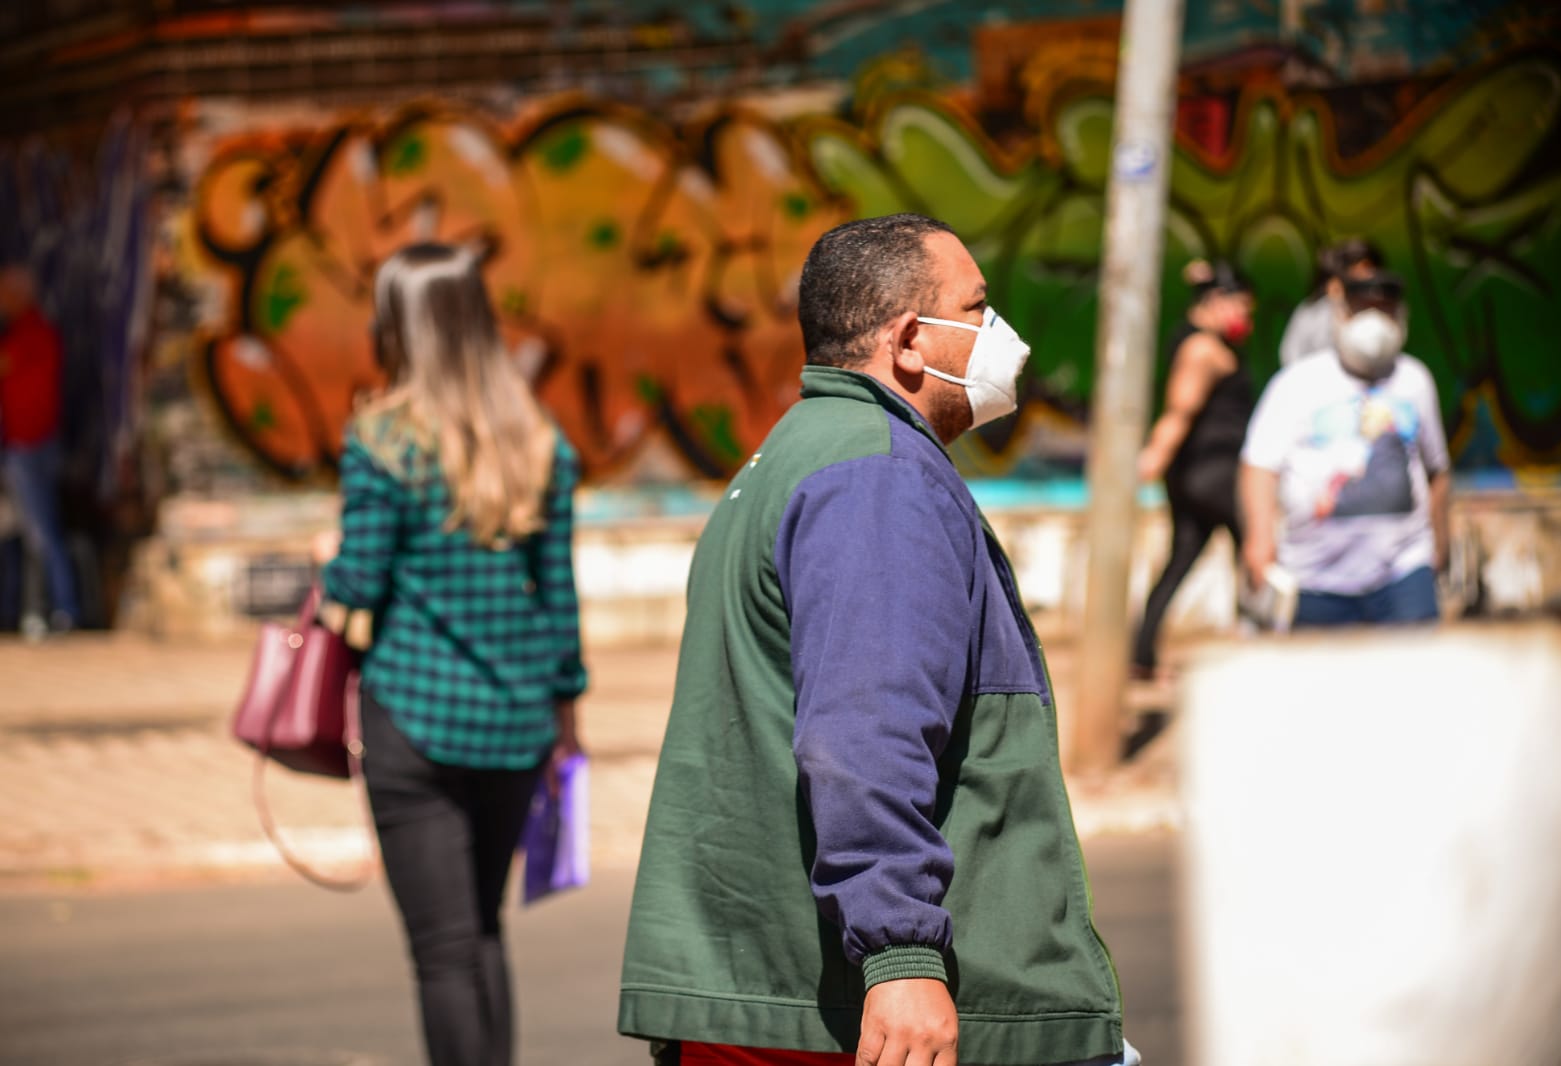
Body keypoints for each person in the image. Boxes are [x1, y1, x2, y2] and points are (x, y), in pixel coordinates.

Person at [619, 214, 1134, 1066]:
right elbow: (867, 730)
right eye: (977, 308)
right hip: (860, 1007)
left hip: (770, 993)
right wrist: (901, 956)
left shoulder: (793, 455)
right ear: (907, 341)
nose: (1001, 336)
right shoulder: (877, 476)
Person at [318, 243, 586, 1066]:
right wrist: (565, 716)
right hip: (515, 724)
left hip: (414, 718)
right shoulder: (538, 442)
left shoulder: (384, 442)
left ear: (396, 326)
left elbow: (356, 586)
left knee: (442, 951)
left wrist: (325, 565)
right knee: (483, 929)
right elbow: (560, 596)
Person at [1240, 269, 1450, 627]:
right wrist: (1258, 541)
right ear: (1340, 315)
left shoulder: (1415, 380)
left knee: (1413, 680)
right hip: (1314, 581)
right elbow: (1259, 465)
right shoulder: (1297, 383)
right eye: (1362, 308)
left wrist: (1441, 544)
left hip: (1404, 573)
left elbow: (1436, 469)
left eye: (1383, 310)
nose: (1374, 321)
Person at [1131, 260, 1256, 677]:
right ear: (1217, 303)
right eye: (1243, 308)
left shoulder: (1198, 340)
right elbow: (1180, 411)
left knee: (1181, 558)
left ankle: (1142, 653)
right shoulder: (1203, 349)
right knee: (1255, 546)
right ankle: (1256, 641)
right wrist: (1151, 460)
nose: (1247, 319)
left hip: (1192, 476)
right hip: (1215, 474)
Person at [0, 263, 79, 633]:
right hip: (27, 446)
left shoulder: (32, 334)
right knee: (25, 534)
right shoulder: (25, 333)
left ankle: (60, 610)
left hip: (29, 447)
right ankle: (32, 610)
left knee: (40, 534)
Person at [1278, 238, 1384, 367]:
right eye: (1362, 268)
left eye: (1371, 269)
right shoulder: (1315, 310)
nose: (1368, 275)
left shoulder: (1380, 304)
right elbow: (1290, 354)